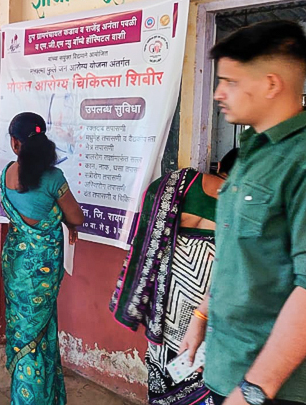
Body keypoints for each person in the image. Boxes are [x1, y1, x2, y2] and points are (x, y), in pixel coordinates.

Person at [180, 20, 306, 405]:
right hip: (227, 365)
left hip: (274, 389)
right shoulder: (252, 151)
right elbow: (237, 251)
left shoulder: (299, 161)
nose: (218, 93)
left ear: (271, 84)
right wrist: (202, 316)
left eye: (230, 82)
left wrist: (253, 391)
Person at [109, 149, 238, 405]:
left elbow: (147, 234)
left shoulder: (178, 185)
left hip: (169, 298)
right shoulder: (245, 202)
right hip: (209, 297)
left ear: (220, 164)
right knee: (200, 368)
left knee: (166, 359)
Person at [0, 112, 84, 405]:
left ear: (14, 143)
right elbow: (77, 216)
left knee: (25, 329)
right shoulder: (53, 178)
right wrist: (64, 219)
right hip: (41, 272)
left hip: (15, 265)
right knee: (38, 332)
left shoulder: (7, 172)